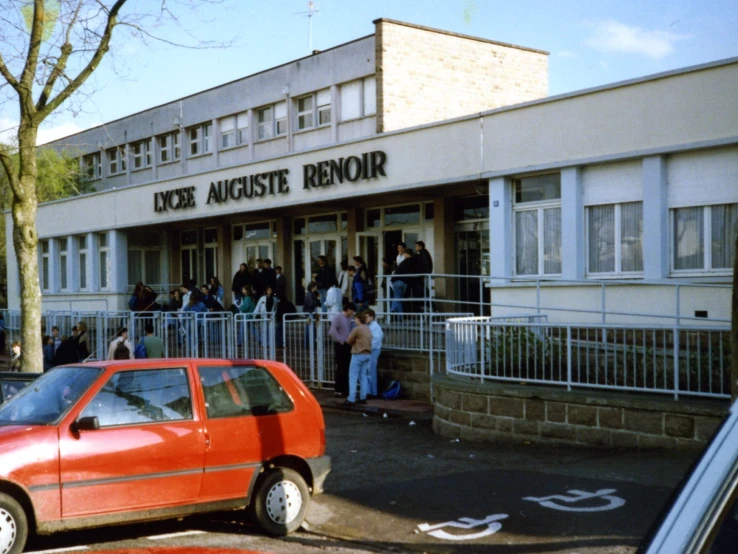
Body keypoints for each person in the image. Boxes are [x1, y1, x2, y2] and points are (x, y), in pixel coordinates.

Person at [329, 302, 356, 398]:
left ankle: (344, 388)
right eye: (352, 311)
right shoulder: (338, 317)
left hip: (346, 344)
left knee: (346, 367)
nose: (352, 313)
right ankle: (338, 389)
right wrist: (340, 340)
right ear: (348, 310)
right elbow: (332, 331)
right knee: (341, 367)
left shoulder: (349, 319)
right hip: (341, 344)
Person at [345, 311, 372, 406]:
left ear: (358, 319)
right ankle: (363, 397)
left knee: (352, 376)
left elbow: (348, 340)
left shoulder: (357, 329)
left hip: (358, 353)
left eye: (355, 318)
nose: (354, 320)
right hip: (368, 354)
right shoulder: (368, 329)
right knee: (363, 376)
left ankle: (351, 398)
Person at [366, 309, 384, 398]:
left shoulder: (375, 327)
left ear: (372, 317)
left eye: (367, 317)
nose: (365, 319)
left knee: (371, 371)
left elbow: (376, 339)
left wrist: (368, 347)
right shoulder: (370, 326)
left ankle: (373, 392)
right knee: (369, 371)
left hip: (373, 350)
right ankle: (370, 391)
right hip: (370, 350)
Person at [391, 247, 415, 315]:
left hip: (398, 281)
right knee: (398, 298)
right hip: (404, 282)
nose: (404, 255)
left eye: (405, 254)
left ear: (407, 254)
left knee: (397, 298)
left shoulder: (405, 262)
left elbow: (400, 270)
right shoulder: (412, 261)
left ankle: (393, 310)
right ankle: (397, 314)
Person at [303, 281, 321, 349]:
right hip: (310, 313)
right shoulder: (309, 294)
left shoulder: (311, 294)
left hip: (311, 313)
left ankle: (309, 344)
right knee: (310, 329)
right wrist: (316, 300)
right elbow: (310, 303)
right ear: (313, 287)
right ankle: (309, 344)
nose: (316, 288)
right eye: (315, 286)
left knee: (310, 329)